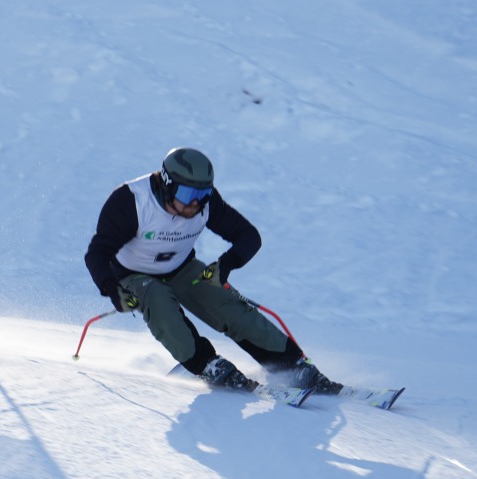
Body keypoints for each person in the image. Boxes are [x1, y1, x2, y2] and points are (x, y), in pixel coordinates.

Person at [84, 147, 342, 393]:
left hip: (181, 268)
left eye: (203, 194)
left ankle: (290, 366)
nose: (196, 203)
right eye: (187, 195)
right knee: (158, 300)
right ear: (167, 185)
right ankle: (205, 364)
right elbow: (97, 253)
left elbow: (248, 236)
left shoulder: (204, 203)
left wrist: (225, 265)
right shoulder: (131, 201)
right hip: (131, 275)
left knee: (226, 304)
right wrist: (112, 289)